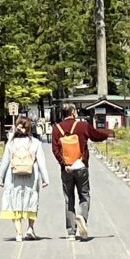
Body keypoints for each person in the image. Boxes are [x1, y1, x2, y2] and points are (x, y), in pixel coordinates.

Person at [48, 102, 111, 240]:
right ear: (73, 113)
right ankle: (82, 217)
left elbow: (55, 150)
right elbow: (96, 135)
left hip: (66, 169)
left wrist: (64, 163)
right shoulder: (82, 126)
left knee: (68, 198)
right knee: (84, 194)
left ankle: (71, 232)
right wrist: (109, 133)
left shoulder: (56, 129)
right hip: (81, 166)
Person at [0, 114, 45, 239]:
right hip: (31, 175)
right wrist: (45, 179)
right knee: (31, 200)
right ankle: (30, 228)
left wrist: (0, 177)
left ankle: (19, 233)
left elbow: (5, 162)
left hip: (13, 176)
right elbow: (41, 162)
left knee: (15, 202)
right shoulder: (36, 143)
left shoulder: (11, 143)